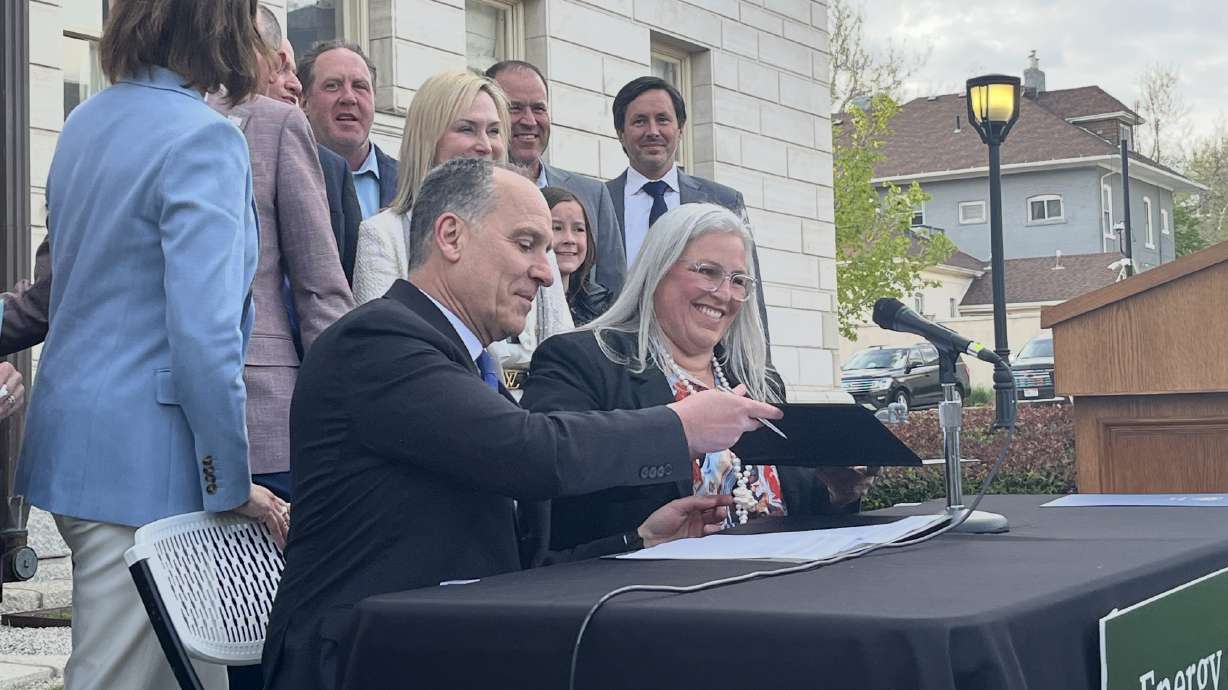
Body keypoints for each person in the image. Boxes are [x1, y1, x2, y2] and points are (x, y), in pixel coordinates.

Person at [262, 159, 779, 690]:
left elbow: (510, 560)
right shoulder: (377, 342)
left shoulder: (451, 356)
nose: (547, 272)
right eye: (527, 243)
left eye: (549, 251)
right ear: (451, 236)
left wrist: (640, 538)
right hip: (362, 660)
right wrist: (679, 426)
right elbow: (534, 454)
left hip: (448, 641)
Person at [14, 2, 286, 689]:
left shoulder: (87, 122)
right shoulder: (207, 139)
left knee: (186, 674)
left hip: (80, 451)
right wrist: (228, 482)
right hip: (149, 469)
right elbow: (205, 337)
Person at [520, 203, 876, 565]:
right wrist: (639, 536)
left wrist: (836, 494)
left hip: (779, 599)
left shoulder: (758, 381)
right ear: (656, 271)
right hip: (655, 605)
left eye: (738, 280)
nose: (724, 293)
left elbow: (795, 511)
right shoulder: (583, 362)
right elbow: (549, 480)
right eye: (708, 272)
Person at [212, 6, 355, 503]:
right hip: (153, 427)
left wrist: (345, 416)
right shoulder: (144, 123)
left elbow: (321, 286)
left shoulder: (276, 125)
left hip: (264, 424)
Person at [605, 76, 771, 339]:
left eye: (663, 119)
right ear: (621, 134)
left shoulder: (724, 202)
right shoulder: (596, 201)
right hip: (616, 356)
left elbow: (749, 299)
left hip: (703, 360)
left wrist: (761, 373)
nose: (652, 131)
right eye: (639, 121)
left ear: (680, 130)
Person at [486, 60, 626, 298]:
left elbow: (614, 294)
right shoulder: (469, 196)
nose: (529, 120)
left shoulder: (592, 195)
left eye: (539, 108)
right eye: (515, 108)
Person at [297, 40, 397, 221]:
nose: (349, 98)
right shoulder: (288, 177)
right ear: (304, 102)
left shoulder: (410, 183)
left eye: (360, 86)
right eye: (333, 85)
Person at [541, 186, 612, 325]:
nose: (569, 239)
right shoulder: (518, 304)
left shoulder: (598, 306)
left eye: (578, 229)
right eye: (556, 228)